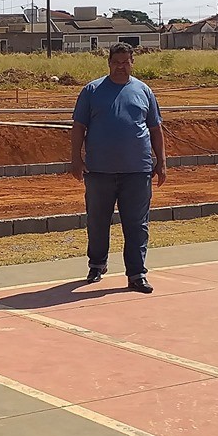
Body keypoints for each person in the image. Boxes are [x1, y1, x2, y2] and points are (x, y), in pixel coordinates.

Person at [71, 42, 167, 294]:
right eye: (117, 62)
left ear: (132, 63)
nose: (121, 67)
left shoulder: (143, 91)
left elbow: (156, 129)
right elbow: (79, 127)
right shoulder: (92, 91)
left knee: (137, 224)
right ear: (109, 63)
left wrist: (162, 162)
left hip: (137, 170)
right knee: (98, 221)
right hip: (99, 170)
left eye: (126, 62)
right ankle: (97, 264)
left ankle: (136, 274)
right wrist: (75, 159)